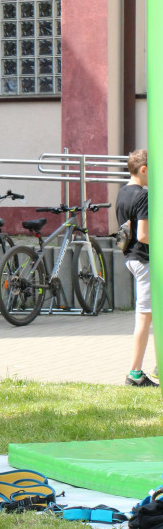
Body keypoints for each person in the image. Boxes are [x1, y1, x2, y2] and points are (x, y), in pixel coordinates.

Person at [117, 149, 154, 387]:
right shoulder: (143, 195)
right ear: (143, 169)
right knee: (144, 316)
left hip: (131, 258)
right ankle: (135, 373)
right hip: (144, 259)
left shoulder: (122, 193)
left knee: (151, 314)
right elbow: (143, 235)